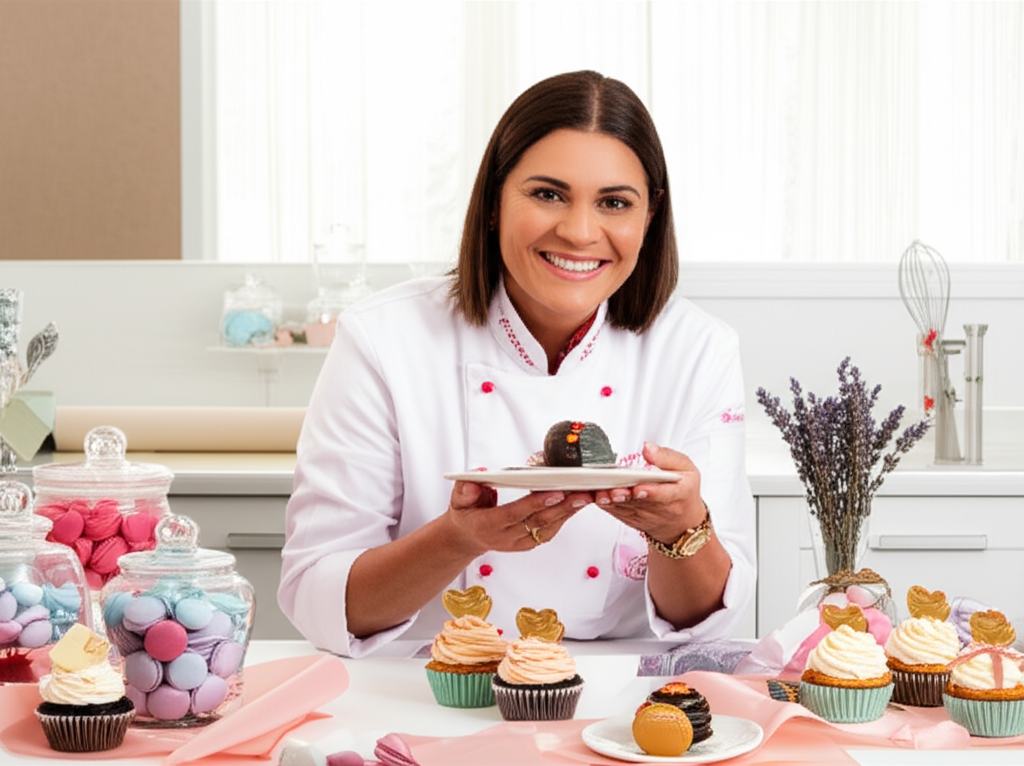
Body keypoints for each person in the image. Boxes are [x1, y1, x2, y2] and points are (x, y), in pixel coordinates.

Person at [278, 70, 755, 658]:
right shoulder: (383, 338)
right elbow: (320, 598)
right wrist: (458, 538)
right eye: (548, 194)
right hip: (430, 680)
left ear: (649, 217)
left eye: (614, 203)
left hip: (616, 693)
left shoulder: (698, 350)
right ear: (494, 203)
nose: (580, 232)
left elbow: (705, 624)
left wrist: (679, 528)